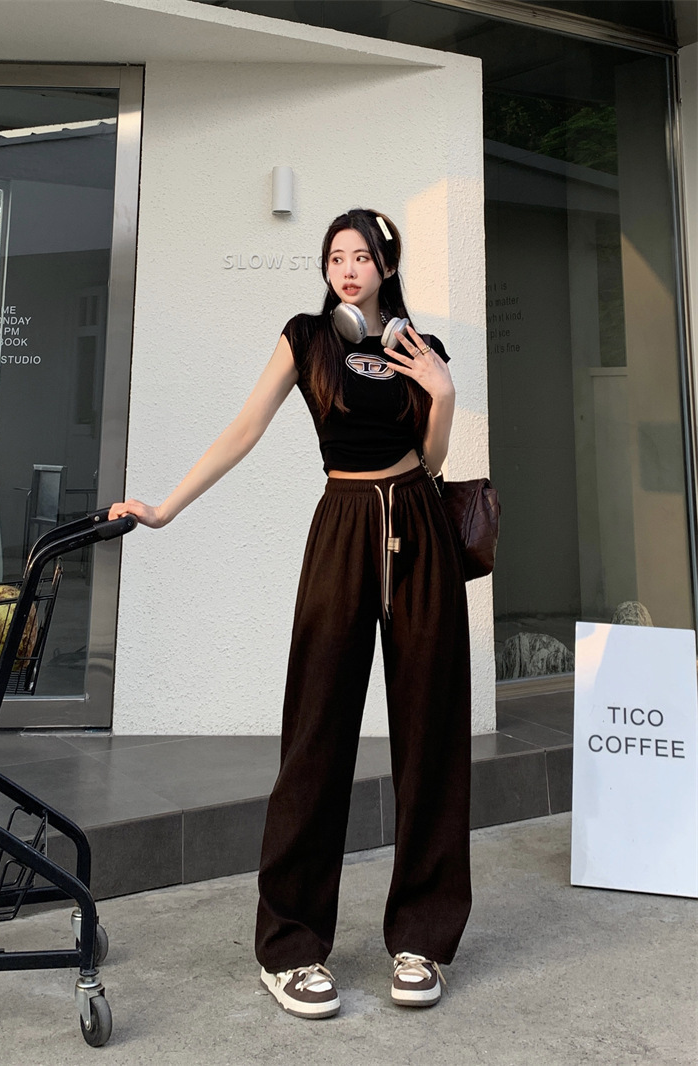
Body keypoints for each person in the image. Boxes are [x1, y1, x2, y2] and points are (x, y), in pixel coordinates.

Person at [109, 208, 471, 1020]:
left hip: (419, 528)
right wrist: (165, 506)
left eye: (362, 256)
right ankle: (292, 948)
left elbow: (433, 458)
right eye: (336, 256)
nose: (348, 268)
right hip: (342, 526)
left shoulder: (420, 348)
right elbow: (245, 428)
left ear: (386, 266)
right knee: (316, 734)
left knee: (431, 736)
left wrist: (442, 393)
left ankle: (422, 938)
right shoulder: (307, 338)